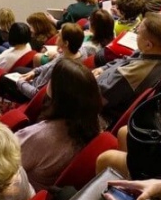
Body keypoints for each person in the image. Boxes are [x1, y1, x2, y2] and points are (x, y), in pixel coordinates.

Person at [16, 59, 102, 190]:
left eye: (51, 79)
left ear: (60, 92)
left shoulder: (41, 136)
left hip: (18, 190)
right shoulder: (93, 124)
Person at [93, 13, 161, 125]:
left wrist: (92, 79)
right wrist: (103, 68)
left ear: (148, 45)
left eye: (138, 33)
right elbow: (125, 60)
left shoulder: (131, 75)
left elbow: (97, 99)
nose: (135, 35)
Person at [13, 23, 85, 100]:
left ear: (66, 43)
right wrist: (34, 72)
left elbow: (38, 94)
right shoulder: (76, 52)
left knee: (3, 79)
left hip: (34, 92)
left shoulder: (60, 70)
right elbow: (49, 64)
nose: (57, 36)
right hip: (39, 79)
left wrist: (20, 82)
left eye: (59, 35)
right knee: (17, 69)